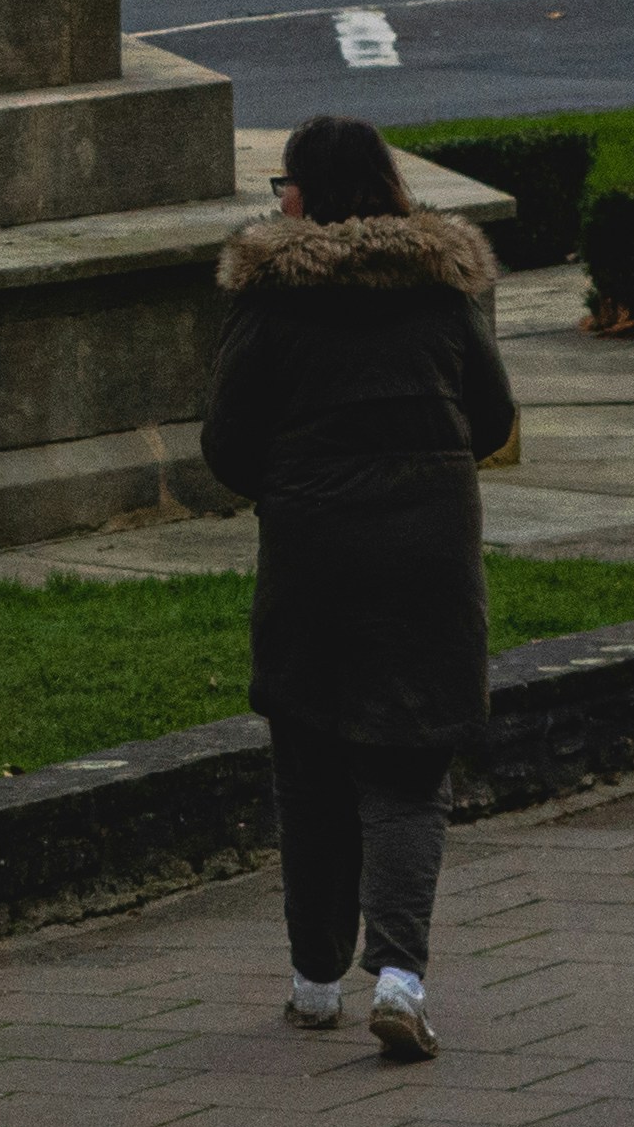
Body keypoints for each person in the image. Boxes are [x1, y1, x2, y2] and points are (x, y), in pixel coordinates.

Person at [201, 114, 515, 1061]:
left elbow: (227, 440)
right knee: (409, 769)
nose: (278, 203)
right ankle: (401, 979)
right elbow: (491, 415)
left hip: (310, 553)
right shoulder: (441, 290)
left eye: (283, 186)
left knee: (310, 761)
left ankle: (310, 984)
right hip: (426, 553)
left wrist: (290, 488)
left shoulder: (272, 298)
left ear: (313, 194)